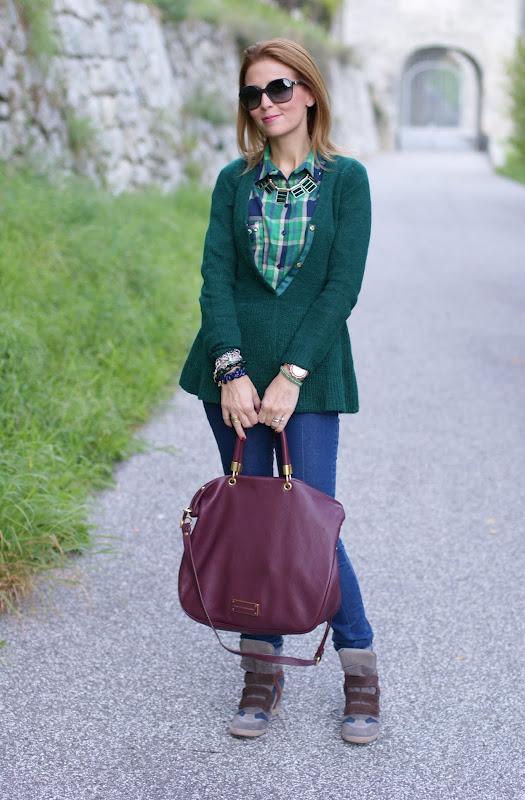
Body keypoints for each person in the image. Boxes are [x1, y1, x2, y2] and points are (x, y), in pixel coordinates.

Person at [179, 37, 380, 744]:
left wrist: (290, 375)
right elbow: (215, 282)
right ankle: (261, 674)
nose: (266, 104)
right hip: (229, 379)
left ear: (311, 93)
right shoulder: (235, 182)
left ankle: (361, 669)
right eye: (252, 94)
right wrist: (230, 371)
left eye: (280, 89)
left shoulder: (346, 180)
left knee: (307, 527)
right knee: (253, 523)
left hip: (311, 376)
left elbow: (340, 288)